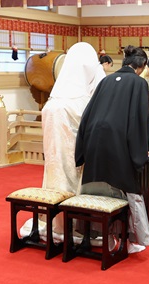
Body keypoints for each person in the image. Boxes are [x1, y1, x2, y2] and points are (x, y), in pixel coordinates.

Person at [75, 45, 149, 253]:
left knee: (97, 186)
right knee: (127, 188)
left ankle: (98, 234)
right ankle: (130, 240)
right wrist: (143, 149)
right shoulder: (139, 83)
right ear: (141, 66)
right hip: (119, 141)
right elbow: (140, 119)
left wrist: (81, 149)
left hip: (94, 139)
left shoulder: (106, 80)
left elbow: (88, 113)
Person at [36, 42, 105, 239]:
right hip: (78, 157)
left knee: (55, 181)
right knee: (76, 186)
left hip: (54, 157)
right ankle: (77, 226)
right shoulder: (83, 99)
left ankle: (58, 225)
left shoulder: (54, 98)